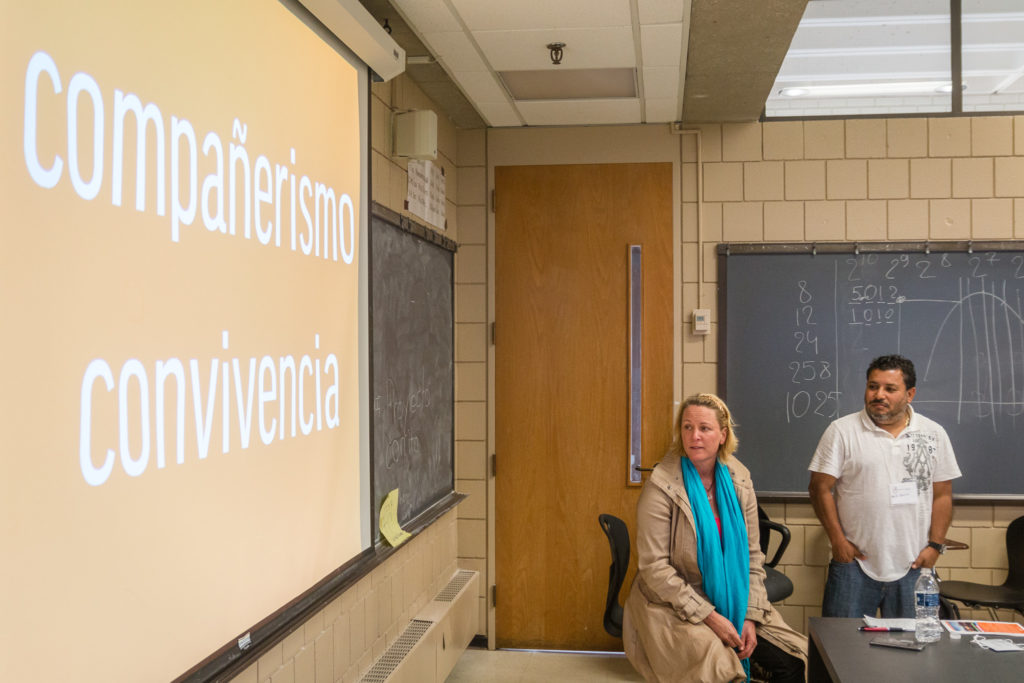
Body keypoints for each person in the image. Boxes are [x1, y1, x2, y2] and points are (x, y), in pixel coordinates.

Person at [623, 393, 806, 683]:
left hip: (735, 595)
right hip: (672, 604)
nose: (694, 436)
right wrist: (710, 616)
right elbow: (655, 570)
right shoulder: (661, 485)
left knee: (797, 661)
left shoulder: (739, 479)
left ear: (723, 435)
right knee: (722, 671)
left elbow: (753, 557)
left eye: (704, 428)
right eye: (687, 427)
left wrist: (749, 615)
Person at [808, 354, 961, 618]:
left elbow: (942, 495)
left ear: (910, 394)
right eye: (873, 386)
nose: (879, 395)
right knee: (841, 649)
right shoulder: (842, 431)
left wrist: (934, 547)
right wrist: (837, 541)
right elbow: (819, 488)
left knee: (913, 651)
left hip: (914, 564)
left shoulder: (933, 433)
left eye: (890, 389)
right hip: (854, 564)